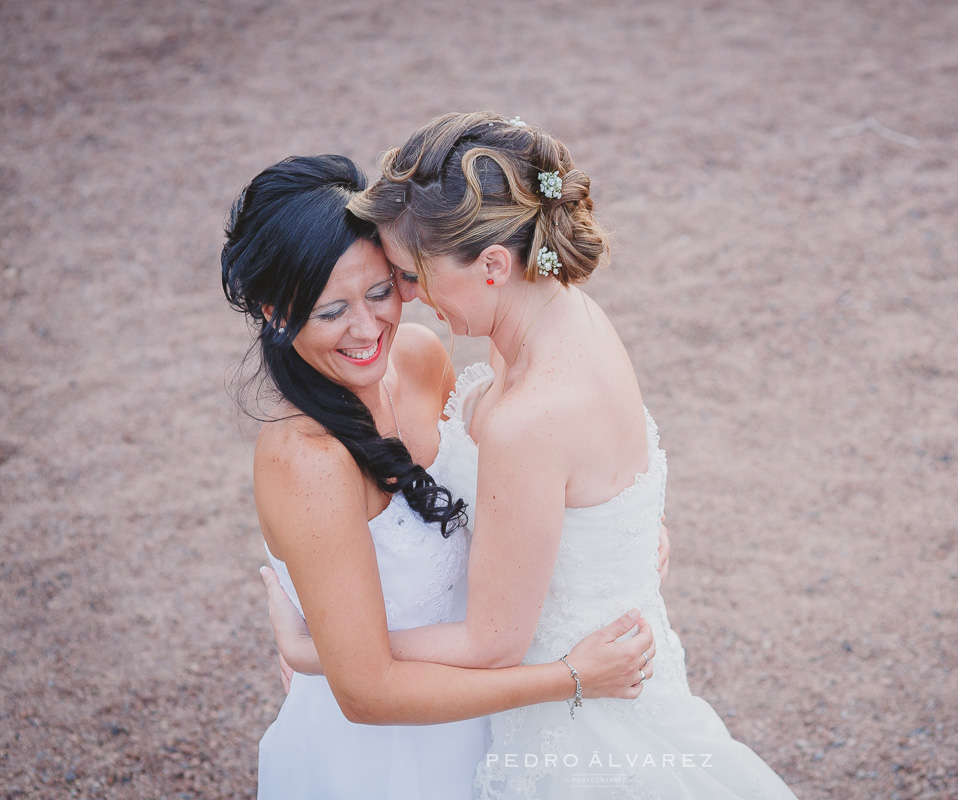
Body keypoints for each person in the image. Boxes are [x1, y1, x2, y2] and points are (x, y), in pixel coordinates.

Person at [272, 113, 797, 798]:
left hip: (574, 727)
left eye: (409, 274)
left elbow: (492, 645)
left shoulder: (528, 418)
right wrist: (626, 539)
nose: (407, 297)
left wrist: (324, 652)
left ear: (492, 264)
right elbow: (591, 480)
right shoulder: (557, 314)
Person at [220, 154, 656, 800]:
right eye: (330, 311)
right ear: (277, 312)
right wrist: (568, 678)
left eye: (380, 291)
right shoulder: (306, 463)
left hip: (484, 722)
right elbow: (367, 692)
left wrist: (621, 534)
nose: (369, 330)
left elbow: (508, 496)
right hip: (388, 764)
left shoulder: (420, 357)